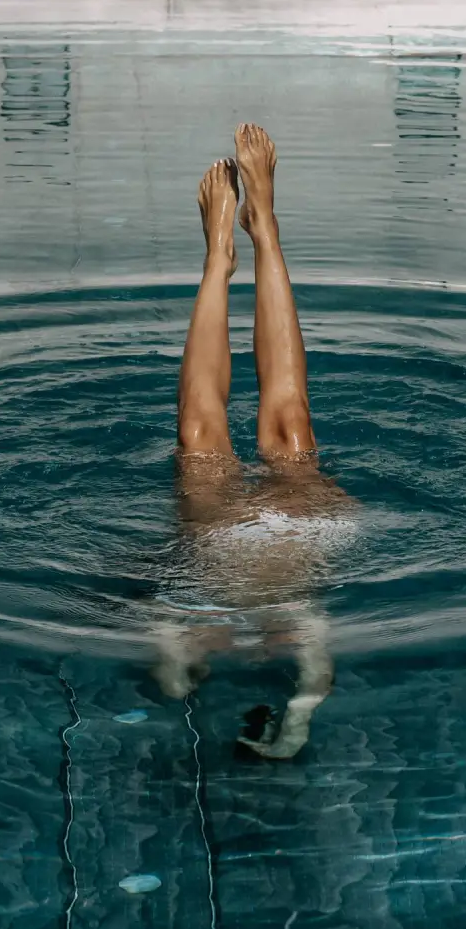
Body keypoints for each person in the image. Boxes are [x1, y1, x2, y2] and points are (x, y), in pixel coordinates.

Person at [154, 124, 351, 759]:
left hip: (217, 541)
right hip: (304, 532)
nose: (244, 647)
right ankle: (263, 225)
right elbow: (317, 682)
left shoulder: (193, 619)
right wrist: (292, 727)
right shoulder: (299, 624)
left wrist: (180, 670)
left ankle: (219, 257)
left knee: (201, 433)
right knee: (291, 421)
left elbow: (167, 661)